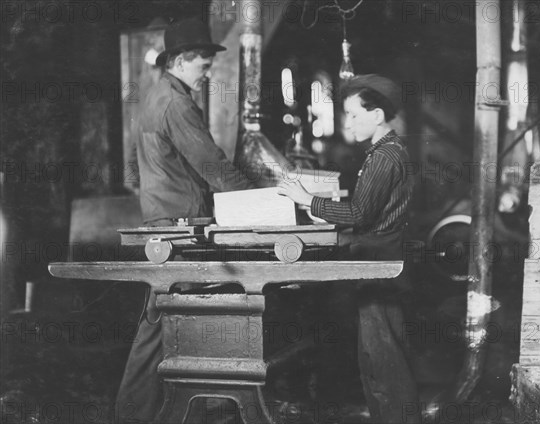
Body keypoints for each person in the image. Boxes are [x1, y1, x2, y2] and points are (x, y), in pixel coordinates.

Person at [116, 17, 255, 422]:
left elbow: (131, 174)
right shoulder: (176, 104)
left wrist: (159, 197)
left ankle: (154, 413)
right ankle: (146, 414)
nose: (207, 74)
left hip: (162, 226)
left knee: (163, 324)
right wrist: (263, 200)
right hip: (178, 230)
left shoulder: (153, 99)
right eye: (202, 66)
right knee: (173, 325)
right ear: (178, 60)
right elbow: (214, 167)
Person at [277, 74, 420, 423]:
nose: (348, 121)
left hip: (378, 266)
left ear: (377, 116)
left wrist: (307, 200)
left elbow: (360, 213)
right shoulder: (384, 152)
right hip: (377, 263)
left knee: (383, 360)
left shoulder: (386, 156)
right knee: (376, 358)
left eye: (354, 114)